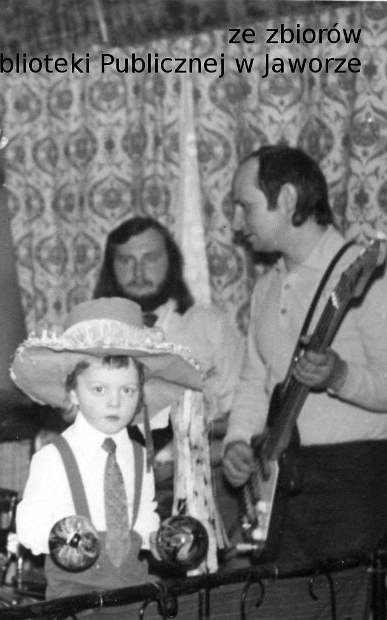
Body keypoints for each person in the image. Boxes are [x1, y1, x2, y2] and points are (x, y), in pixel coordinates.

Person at [223, 145, 387, 563]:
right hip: (279, 483)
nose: (236, 222)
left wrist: (340, 377)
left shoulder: (370, 272)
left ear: (287, 200)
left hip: (351, 479)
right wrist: (237, 441)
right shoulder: (267, 286)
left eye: (245, 206)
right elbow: (254, 380)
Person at [11, 297, 203, 599]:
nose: (115, 402)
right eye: (99, 389)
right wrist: (62, 537)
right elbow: (28, 525)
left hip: (133, 589)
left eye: (127, 390)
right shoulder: (52, 458)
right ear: (73, 393)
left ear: (140, 395)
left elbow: (143, 516)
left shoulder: (139, 456)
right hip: (76, 595)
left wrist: (157, 539)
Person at [93, 217, 245, 554]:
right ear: (110, 268)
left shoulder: (210, 325)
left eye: (150, 258)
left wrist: (187, 443)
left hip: (207, 488)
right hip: (120, 497)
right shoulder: (94, 334)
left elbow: (241, 417)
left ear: (171, 262)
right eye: (126, 260)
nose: (138, 271)